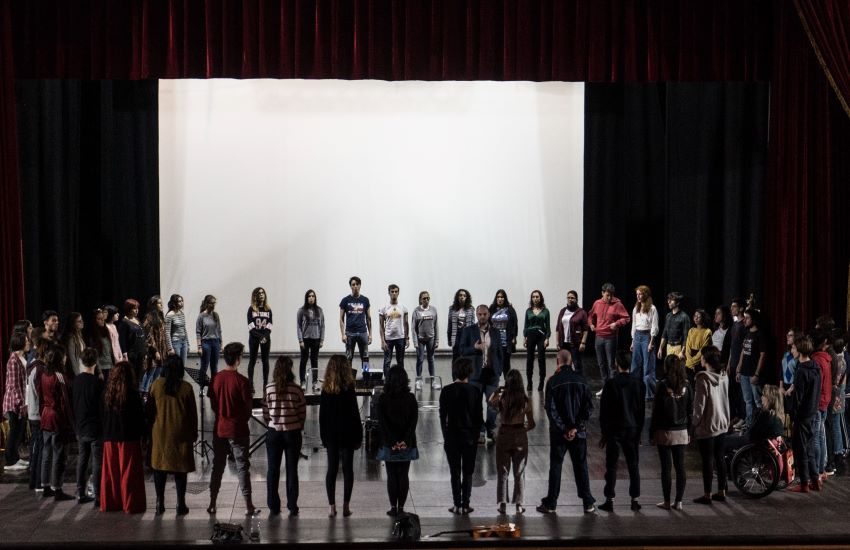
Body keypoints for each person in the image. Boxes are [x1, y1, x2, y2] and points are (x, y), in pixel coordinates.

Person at [537, 349, 597, 514]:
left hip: (558, 434)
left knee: (556, 466)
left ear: (558, 361)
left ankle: (551, 503)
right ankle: (587, 502)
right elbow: (588, 408)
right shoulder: (582, 381)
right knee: (581, 466)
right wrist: (575, 428)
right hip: (579, 433)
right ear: (571, 361)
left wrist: (564, 428)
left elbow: (551, 409)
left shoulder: (553, 382)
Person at [208, 342, 256, 515]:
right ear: (237, 358)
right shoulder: (242, 382)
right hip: (237, 430)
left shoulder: (216, 378)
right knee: (242, 468)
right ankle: (248, 505)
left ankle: (212, 502)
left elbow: (213, 404)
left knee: (218, 467)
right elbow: (248, 410)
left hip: (219, 428)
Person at [147, 355, 197, 515]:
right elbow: (192, 415)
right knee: (180, 470)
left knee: (159, 468)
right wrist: (194, 433)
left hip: (160, 432)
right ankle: (180, 504)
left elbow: (149, 411)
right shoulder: (187, 388)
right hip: (181, 433)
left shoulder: (156, 385)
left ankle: (159, 503)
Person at [598, 353, 645, 512]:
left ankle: (609, 499)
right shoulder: (638, 383)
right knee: (633, 465)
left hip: (614, 430)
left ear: (616, 364)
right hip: (632, 429)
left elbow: (604, 411)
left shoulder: (611, 384)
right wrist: (639, 432)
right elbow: (641, 411)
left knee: (611, 466)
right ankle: (634, 499)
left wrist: (604, 433)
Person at [319, 355, 362, 518]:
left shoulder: (325, 389)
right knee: (348, 470)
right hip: (348, 433)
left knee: (331, 469)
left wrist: (323, 436)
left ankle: (331, 507)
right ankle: (346, 506)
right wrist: (359, 435)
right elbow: (354, 414)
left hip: (331, 434)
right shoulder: (349, 387)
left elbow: (322, 416)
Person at [101, 361, 146, 513]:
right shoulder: (133, 395)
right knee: (129, 473)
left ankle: (111, 502)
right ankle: (130, 504)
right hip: (129, 438)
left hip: (109, 437)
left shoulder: (107, 394)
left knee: (111, 473)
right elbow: (140, 418)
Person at [263, 356, 306, 516]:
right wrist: (298, 425)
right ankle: (292, 505)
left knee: (272, 470)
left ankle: (273, 505)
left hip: (274, 433)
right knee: (291, 470)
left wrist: (273, 422)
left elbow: (266, 412)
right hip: (292, 433)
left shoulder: (269, 388)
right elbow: (302, 412)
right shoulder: (296, 389)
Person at [439, 358, 483, 515]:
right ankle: (466, 503)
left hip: (452, 436)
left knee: (455, 472)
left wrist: (445, 436)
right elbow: (479, 418)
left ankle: (456, 503)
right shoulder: (475, 391)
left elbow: (442, 417)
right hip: (469, 436)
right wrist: (476, 436)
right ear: (469, 372)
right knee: (468, 472)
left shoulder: (446, 391)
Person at [489, 369, 535, 515]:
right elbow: (532, 423)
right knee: (519, 472)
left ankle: (502, 504)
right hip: (520, 435)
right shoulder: (525, 400)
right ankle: (519, 505)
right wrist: (522, 430)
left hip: (503, 435)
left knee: (503, 471)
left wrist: (497, 390)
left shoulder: (502, 399)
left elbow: (490, 403)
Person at [650, 355, 692, 511]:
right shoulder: (687, 385)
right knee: (680, 467)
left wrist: (651, 431)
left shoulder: (662, 385)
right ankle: (679, 502)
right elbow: (690, 410)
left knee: (666, 468)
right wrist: (690, 431)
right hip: (682, 431)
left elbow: (656, 410)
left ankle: (667, 501)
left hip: (664, 431)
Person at [458, 305, 504, 443]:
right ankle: (480, 430)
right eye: (480, 314)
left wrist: (499, 369)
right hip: (475, 375)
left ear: (489, 314)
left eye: (484, 314)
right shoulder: (468, 331)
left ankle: (490, 429)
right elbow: (461, 350)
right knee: (475, 406)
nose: (482, 316)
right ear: (476, 315)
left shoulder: (495, 332)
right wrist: (474, 347)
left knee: (493, 406)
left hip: (492, 374)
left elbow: (500, 352)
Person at [377, 365, 419, 516]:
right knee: (403, 475)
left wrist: (393, 441)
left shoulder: (383, 399)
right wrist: (404, 441)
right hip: (407, 443)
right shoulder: (411, 398)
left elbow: (382, 424)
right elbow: (413, 422)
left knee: (391, 475)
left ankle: (393, 507)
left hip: (389, 444)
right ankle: (401, 507)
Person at [692, 345, 730, 504]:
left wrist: (694, 423)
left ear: (706, 360)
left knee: (707, 461)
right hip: (722, 423)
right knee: (720, 458)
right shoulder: (724, 376)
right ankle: (722, 491)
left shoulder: (703, 379)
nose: (700, 359)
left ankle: (707, 494)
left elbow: (699, 406)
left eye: (702, 356)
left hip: (708, 425)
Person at [37, 343, 75, 501]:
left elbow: (40, 396)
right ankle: (57, 488)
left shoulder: (44, 374)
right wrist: (71, 423)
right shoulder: (59, 377)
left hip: (45, 416)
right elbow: (65, 402)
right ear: (60, 359)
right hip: (57, 418)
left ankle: (45, 485)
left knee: (46, 453)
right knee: (59, 454)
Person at [788, 334, 820, 493]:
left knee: (800, 450)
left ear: (800, 350)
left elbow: (798, 398)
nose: (791, 350)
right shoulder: (815, 367)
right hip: (813, 412)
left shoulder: (801, 371)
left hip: (802, 416)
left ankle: (804, 483)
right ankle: (815, 480)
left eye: (793, 347)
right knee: (810, 448)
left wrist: (793, 415)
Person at [71, 347, 104, 505]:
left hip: (80, 426)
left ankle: (79, 492)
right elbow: (101, 407)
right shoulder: (98, 383)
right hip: (95, 427)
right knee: (97, 462)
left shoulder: (76, 381)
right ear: (95, 363)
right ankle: (98, 495)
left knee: (82, 459)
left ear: (82, 361)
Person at [588, 283, 630, 395]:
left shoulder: (618, 304)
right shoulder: (597, 303)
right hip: (598, 337)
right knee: (601, 363)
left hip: (610, 338)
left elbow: (626, 318)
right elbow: (590, 315)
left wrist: (617, 323)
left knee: (611, 364)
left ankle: (613, 388)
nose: (609, 298)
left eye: (611, 295)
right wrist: (591, 324)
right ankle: (605, 386)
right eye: (607, 295)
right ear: (602, 293)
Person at [723, 384, 785, 453]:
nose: (761, 397)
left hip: (751, 444)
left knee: (724, 441)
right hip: (760, 446)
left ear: (770, 399)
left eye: (764, 395)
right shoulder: (779, 416)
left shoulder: (766, 415)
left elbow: (752, 434)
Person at [735, 309, 767, 428]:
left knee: (758, 401)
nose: (745, 320)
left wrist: (757, 374)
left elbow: (762, 355)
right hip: (744, 372)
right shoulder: (747, 333)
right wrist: (739, 369)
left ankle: (759, 425)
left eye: (747, 318)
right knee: (747, 401)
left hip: (753, 373)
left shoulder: (759, 334)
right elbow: (743, 351)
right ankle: (749, 425)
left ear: (753, 319)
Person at [3, 332, 30, 471]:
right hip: (14, 403)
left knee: (19, 431)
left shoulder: (22, 358)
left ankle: (15, 457)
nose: (28, 342)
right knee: (14, 432)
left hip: (21, 401)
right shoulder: (13, 360)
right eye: (26, 340)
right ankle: (9, 461)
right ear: (20, 342)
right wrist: (21, 403)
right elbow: (14, 385)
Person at [25, 332, 48, 492]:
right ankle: (39, 481)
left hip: (33, 411)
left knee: (36, 446)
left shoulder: (32, 365)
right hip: (38, 412)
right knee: (40, 447)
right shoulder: (39, 368)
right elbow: (41, 393)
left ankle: (34, 481)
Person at [810, 330, 833, 485]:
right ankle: (822, 470)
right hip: (825, 401)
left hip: (818, 403)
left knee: (816, 438)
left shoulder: (817, 360)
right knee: (821, 437)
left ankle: (817, 471)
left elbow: (816, 385)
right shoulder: (826, 359)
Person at [630, 285, 658, 400]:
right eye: (637, 294)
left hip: (647, 337)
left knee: (648, 366)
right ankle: (635, 390)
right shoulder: (636, 308)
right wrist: (632, 341)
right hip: (637, 336)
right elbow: (633, 325)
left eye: (640, 294)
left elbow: (654, 326)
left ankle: (649, 394)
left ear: (646, 294)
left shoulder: (652, 308)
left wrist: (651, 342)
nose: (638, 296)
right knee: (635, 365)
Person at [339, 276, 372, 374]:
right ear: (350, 286)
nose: (355, 286)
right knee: (349, 358)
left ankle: (365, 376)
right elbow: (341, 318)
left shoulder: (365, 300)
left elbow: (368, 318)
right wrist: (343, 334)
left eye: (357, 284)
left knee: (365, 358)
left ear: (360, 285)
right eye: (353, 284)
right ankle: (348, 379)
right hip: (350, 333)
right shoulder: (345, 300)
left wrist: (370, 334)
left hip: (363, 332)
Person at [726, 298, 749, 430]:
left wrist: (740, 366)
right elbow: (732, 347)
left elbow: (743, 348)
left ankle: (743, 416)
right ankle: (735, 415)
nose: (732, 309)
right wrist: (729, 363)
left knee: (741, 393)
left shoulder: (743, 326)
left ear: (740, 309)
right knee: (733, 392)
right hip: (733, 363)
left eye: (734, 307)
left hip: (741, 364)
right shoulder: (734, 325)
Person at [523, 290, 550, 392]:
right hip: (530, 335)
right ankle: (529, 382)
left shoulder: (545, 311)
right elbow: (526, 325)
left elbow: (547, 327)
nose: (535, 298)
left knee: (541, 359)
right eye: (533, 297)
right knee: (529, 359)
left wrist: (547, 338)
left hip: (541, 336)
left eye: (537, 296)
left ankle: (541, 382)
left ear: (540, 298)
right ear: (531, 298)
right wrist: (525, 337)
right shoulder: (528, 311)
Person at [296, 289, 324, 390]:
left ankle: (314, 382)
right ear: (306, 298)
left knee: (314, 361)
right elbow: (298, 326)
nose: (311, 298)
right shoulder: (301, 310)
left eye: (313, 296)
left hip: (316, 339)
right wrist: (300, 340)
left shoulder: (319, 310)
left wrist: (321, 340)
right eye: (309, 296)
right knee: (303, 360)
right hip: (305, 339)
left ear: (315, 298)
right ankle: (302, 382)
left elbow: (323, 326)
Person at [555, 290, 588, 376]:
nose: (570, 299)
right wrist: (557, 342)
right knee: (562, 366)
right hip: (563, 343)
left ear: (576, 299)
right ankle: (565, 383)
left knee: (577, 366)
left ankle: (579, 384)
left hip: (575, 344)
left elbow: (585, 329)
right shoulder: (562, 311)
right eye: (568, 298)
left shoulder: (581, 312)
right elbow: (558, 328)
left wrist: (583, 343)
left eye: (572, 298)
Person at [412, 290, 439, 390]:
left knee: (431, 359)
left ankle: (433, 381)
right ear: (420, 299)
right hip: (420, 339)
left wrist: (437, 340)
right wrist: (415, 341)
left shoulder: (433, 310)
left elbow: (436, 326)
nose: (426, 300)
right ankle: (419, 380)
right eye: (424, 298)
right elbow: (413, 327)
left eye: (428, 298)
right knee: (420, 359)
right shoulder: (416, 311)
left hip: (431, 339)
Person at [247, 287, 273, 390]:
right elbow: (250, 327)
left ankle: (265, 383)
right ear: (255, 296)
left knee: (265, 361)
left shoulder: (268, 309)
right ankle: (250, 384)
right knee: (252, 360)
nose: (262, 295)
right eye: (259, 293)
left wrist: (265, 336)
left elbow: (270, 325)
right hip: (254, 338)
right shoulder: (251, 309)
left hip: (266, 338)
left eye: (263, 293)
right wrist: (260, 336)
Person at [379, 284, 410, 371]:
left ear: (398, 293)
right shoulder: (383, 308)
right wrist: (382, 341)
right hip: (388, 339)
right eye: (392, 292)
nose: (394, 293)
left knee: (400, 361)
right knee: (387, 361)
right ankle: (387, 382)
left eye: (396, 292)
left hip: (400, 338)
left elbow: (406, 323)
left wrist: (407, 338)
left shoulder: (403, 307)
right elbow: (381, 326)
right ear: (389, 293)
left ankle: (400, 381)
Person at [489, 289, 518, 375]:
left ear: (504, 298)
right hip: (494, 341)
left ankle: (507, 385)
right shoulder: (491, 308)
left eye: (502, 297)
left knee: (506, 365)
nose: (500, 299)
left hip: (506, 340)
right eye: (498, 297)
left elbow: (514, 324)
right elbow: (487, 323)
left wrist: (514, 337)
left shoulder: (509, 309)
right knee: (495, 365)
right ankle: (495, 385)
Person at [142, 296, 168, 392]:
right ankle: (144, 392)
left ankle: (152, 392)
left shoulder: (160, 315)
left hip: (161, 349)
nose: (162, 305)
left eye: (162, 303)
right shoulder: (149, 317)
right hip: (153, 350)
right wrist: (155, 350)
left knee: (158, 371)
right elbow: (149, 336)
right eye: (159, 303)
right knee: (150, 371)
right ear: (153, 305)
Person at [196, 295, 223, 384]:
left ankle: (214, 386)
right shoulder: (201, 316)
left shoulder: (216, 315)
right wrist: (199, 347)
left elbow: (219, 330)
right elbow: (198, 332)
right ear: (207, 303)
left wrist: (221, 344)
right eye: (211, 303)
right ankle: (201, 386)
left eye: (214, 303)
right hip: (206, 343)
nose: (213, 305)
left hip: (215, 342)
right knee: (204, 366)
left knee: (214, 366)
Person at [657, 292, 690, 361]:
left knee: (678, 370)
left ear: (677, 303)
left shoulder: (684, 317)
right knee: (669, 370)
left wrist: (682, 351)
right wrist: (660, 348)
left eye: (671, 300)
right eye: (668, 299)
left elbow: (686, 336)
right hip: (669, 346)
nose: (668, 301)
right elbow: (664, 333)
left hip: (678, 347)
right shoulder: (668, 316)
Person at [684, 309, 713, 387]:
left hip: (700, 362)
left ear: (703, 318)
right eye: (695, 316)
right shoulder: (691, 330)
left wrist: (691, 363)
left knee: (699, 386)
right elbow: (688, 347)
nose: (696, 318)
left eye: (698, 316)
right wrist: (689, 361)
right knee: (689, 385)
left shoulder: (707, 331)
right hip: (689, 361)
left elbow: (703, 350)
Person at [117, 299, 146, 375]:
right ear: (128, 309)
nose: (137, 311)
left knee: (140, 375)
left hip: (140, 352)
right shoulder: (124, 322)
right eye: (134, 308)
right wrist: (124, 354)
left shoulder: (136, 319)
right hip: (132, 354)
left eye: (137, 308)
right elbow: (122, 340)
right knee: (132, 376)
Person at [447, 289, 475, 360]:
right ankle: (455, 371)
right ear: (457, 297)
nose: (462, 297)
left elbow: (473, 325)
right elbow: (449, 325)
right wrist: (449, 339)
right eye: (460, 295)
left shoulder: (471, 309)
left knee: (466, 357)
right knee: (456, 357)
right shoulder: (452, 309)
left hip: (466, 335)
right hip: (456, 335)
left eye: (464, 296)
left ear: (467, 298)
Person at [87, 308, 114, 381]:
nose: (102, 320)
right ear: (94, 320)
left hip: (109, 366)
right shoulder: (93, 335)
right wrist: (99, 372)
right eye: (99, 319)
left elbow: (109, 351)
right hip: (101, 369)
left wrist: (112, 366)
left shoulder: (105, 332)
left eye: (102, 318)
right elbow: (95, 354)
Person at [164, 294, 189, 367]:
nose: (181, 303)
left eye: (182, 301)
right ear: (174, 303)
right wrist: (170, 348)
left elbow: (184, 328)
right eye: (179, 301)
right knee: (176, 366)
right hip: (175, 342)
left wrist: (187, 343)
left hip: (184, 341)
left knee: (183, 366)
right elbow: (167, 332)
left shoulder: (181, 313)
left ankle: (181, 378)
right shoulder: (170, 315)